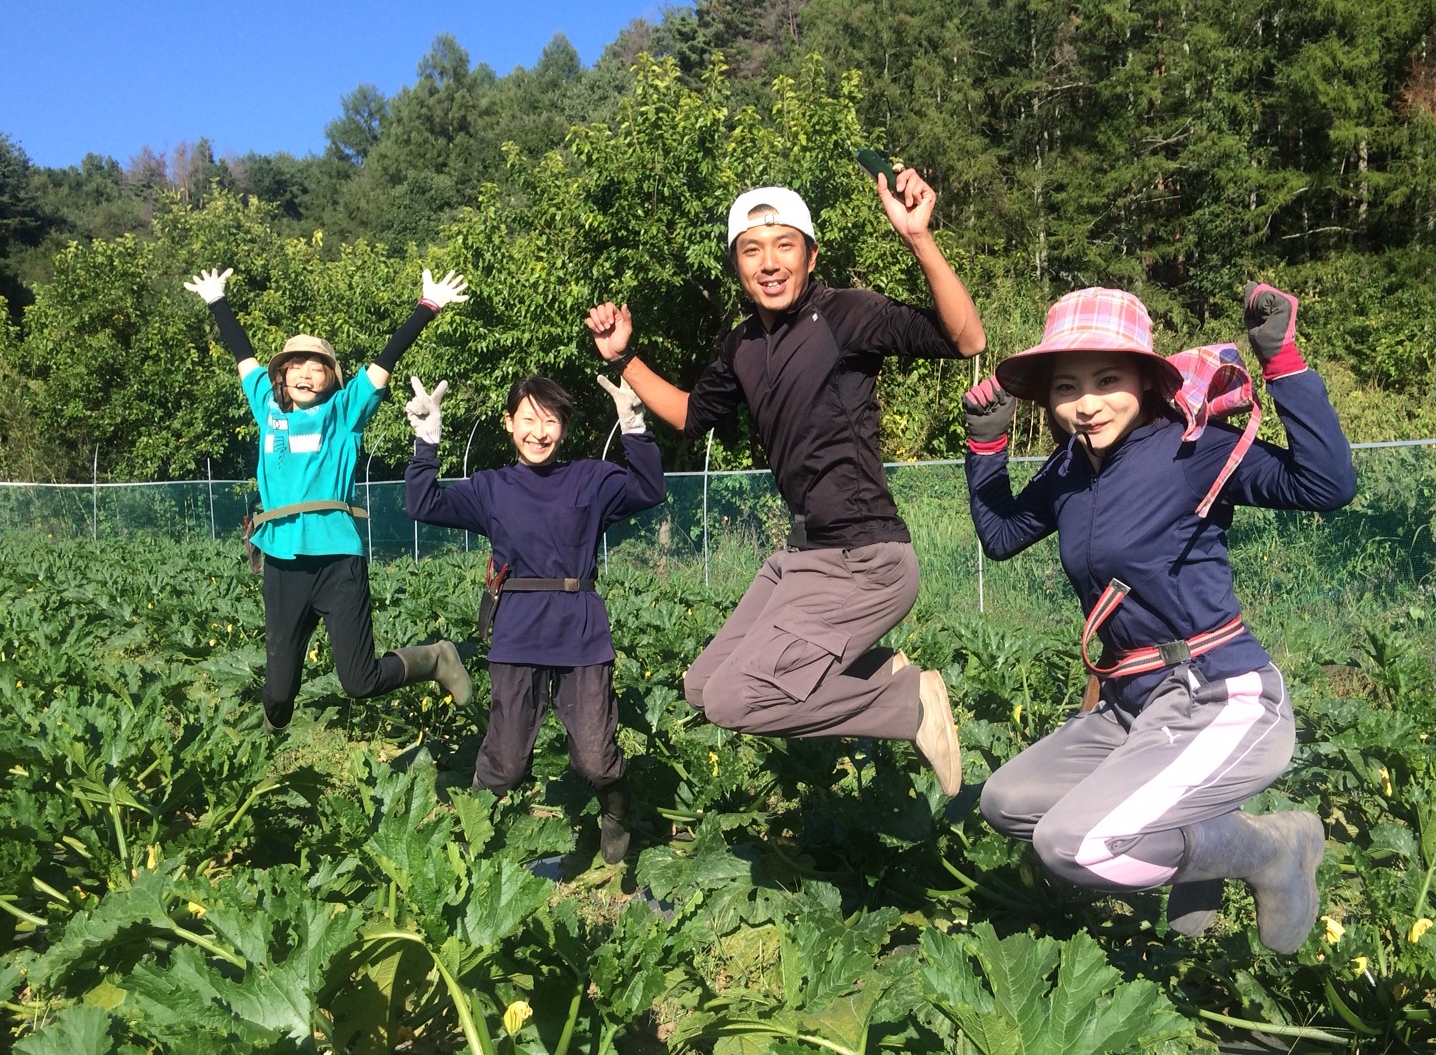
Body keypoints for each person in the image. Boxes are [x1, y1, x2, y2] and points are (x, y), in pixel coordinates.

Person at [961, 284, 1356, 954]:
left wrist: (1282, 361)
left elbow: (1326, 485)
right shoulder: (1069, 468)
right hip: (1133, 705)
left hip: (1218, 693)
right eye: (1065, 387)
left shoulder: (1190, 448)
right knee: (1008, 803)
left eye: (1108, 380)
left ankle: (1268, 851)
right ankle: (1207, 837)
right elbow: (1001, 536)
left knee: (1073, 845)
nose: (1085, 403)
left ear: (1146, 381)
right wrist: (986, 447)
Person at [583, 172, 986, 797]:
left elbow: (966, 338)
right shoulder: (741, 346)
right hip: (803, 557)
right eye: (752, 249)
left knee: (738, 701)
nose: (769, 263)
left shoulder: (847, 315)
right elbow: (691, 415)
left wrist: (920, 238)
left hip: (865, 559)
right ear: (737, 265)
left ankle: (906, 701)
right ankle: (876, 672)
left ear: (810, 255)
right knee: (704, 687)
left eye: (784, 245)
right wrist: (622, 357)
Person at [184, 266, 474, 733]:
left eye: (315, 366)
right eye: (294, 365)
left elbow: (385, 361)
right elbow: (243, 356)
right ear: (282, 375)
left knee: (358, 682)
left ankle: (436, 658)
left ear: (330, 377)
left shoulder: (345, 412)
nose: (303, 372)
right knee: (277, 695)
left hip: (338, 559)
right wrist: (217, 301)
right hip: (281, 560)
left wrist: (428, 306)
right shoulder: (267, 406)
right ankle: (273, 741)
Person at [402, 373, 666, 863]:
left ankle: (616, 808)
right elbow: (423, 503)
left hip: (579, 628)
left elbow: (649, 490)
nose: (539, 432)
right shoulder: (491, 487)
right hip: (518, 629)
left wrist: (634, 426)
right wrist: (426, 441)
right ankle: (473, 847)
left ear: (563, 427)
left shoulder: (590, 478)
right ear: (508, 424)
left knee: (595, 757)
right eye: (528, 419)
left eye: (550, 421)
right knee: (503, 760)